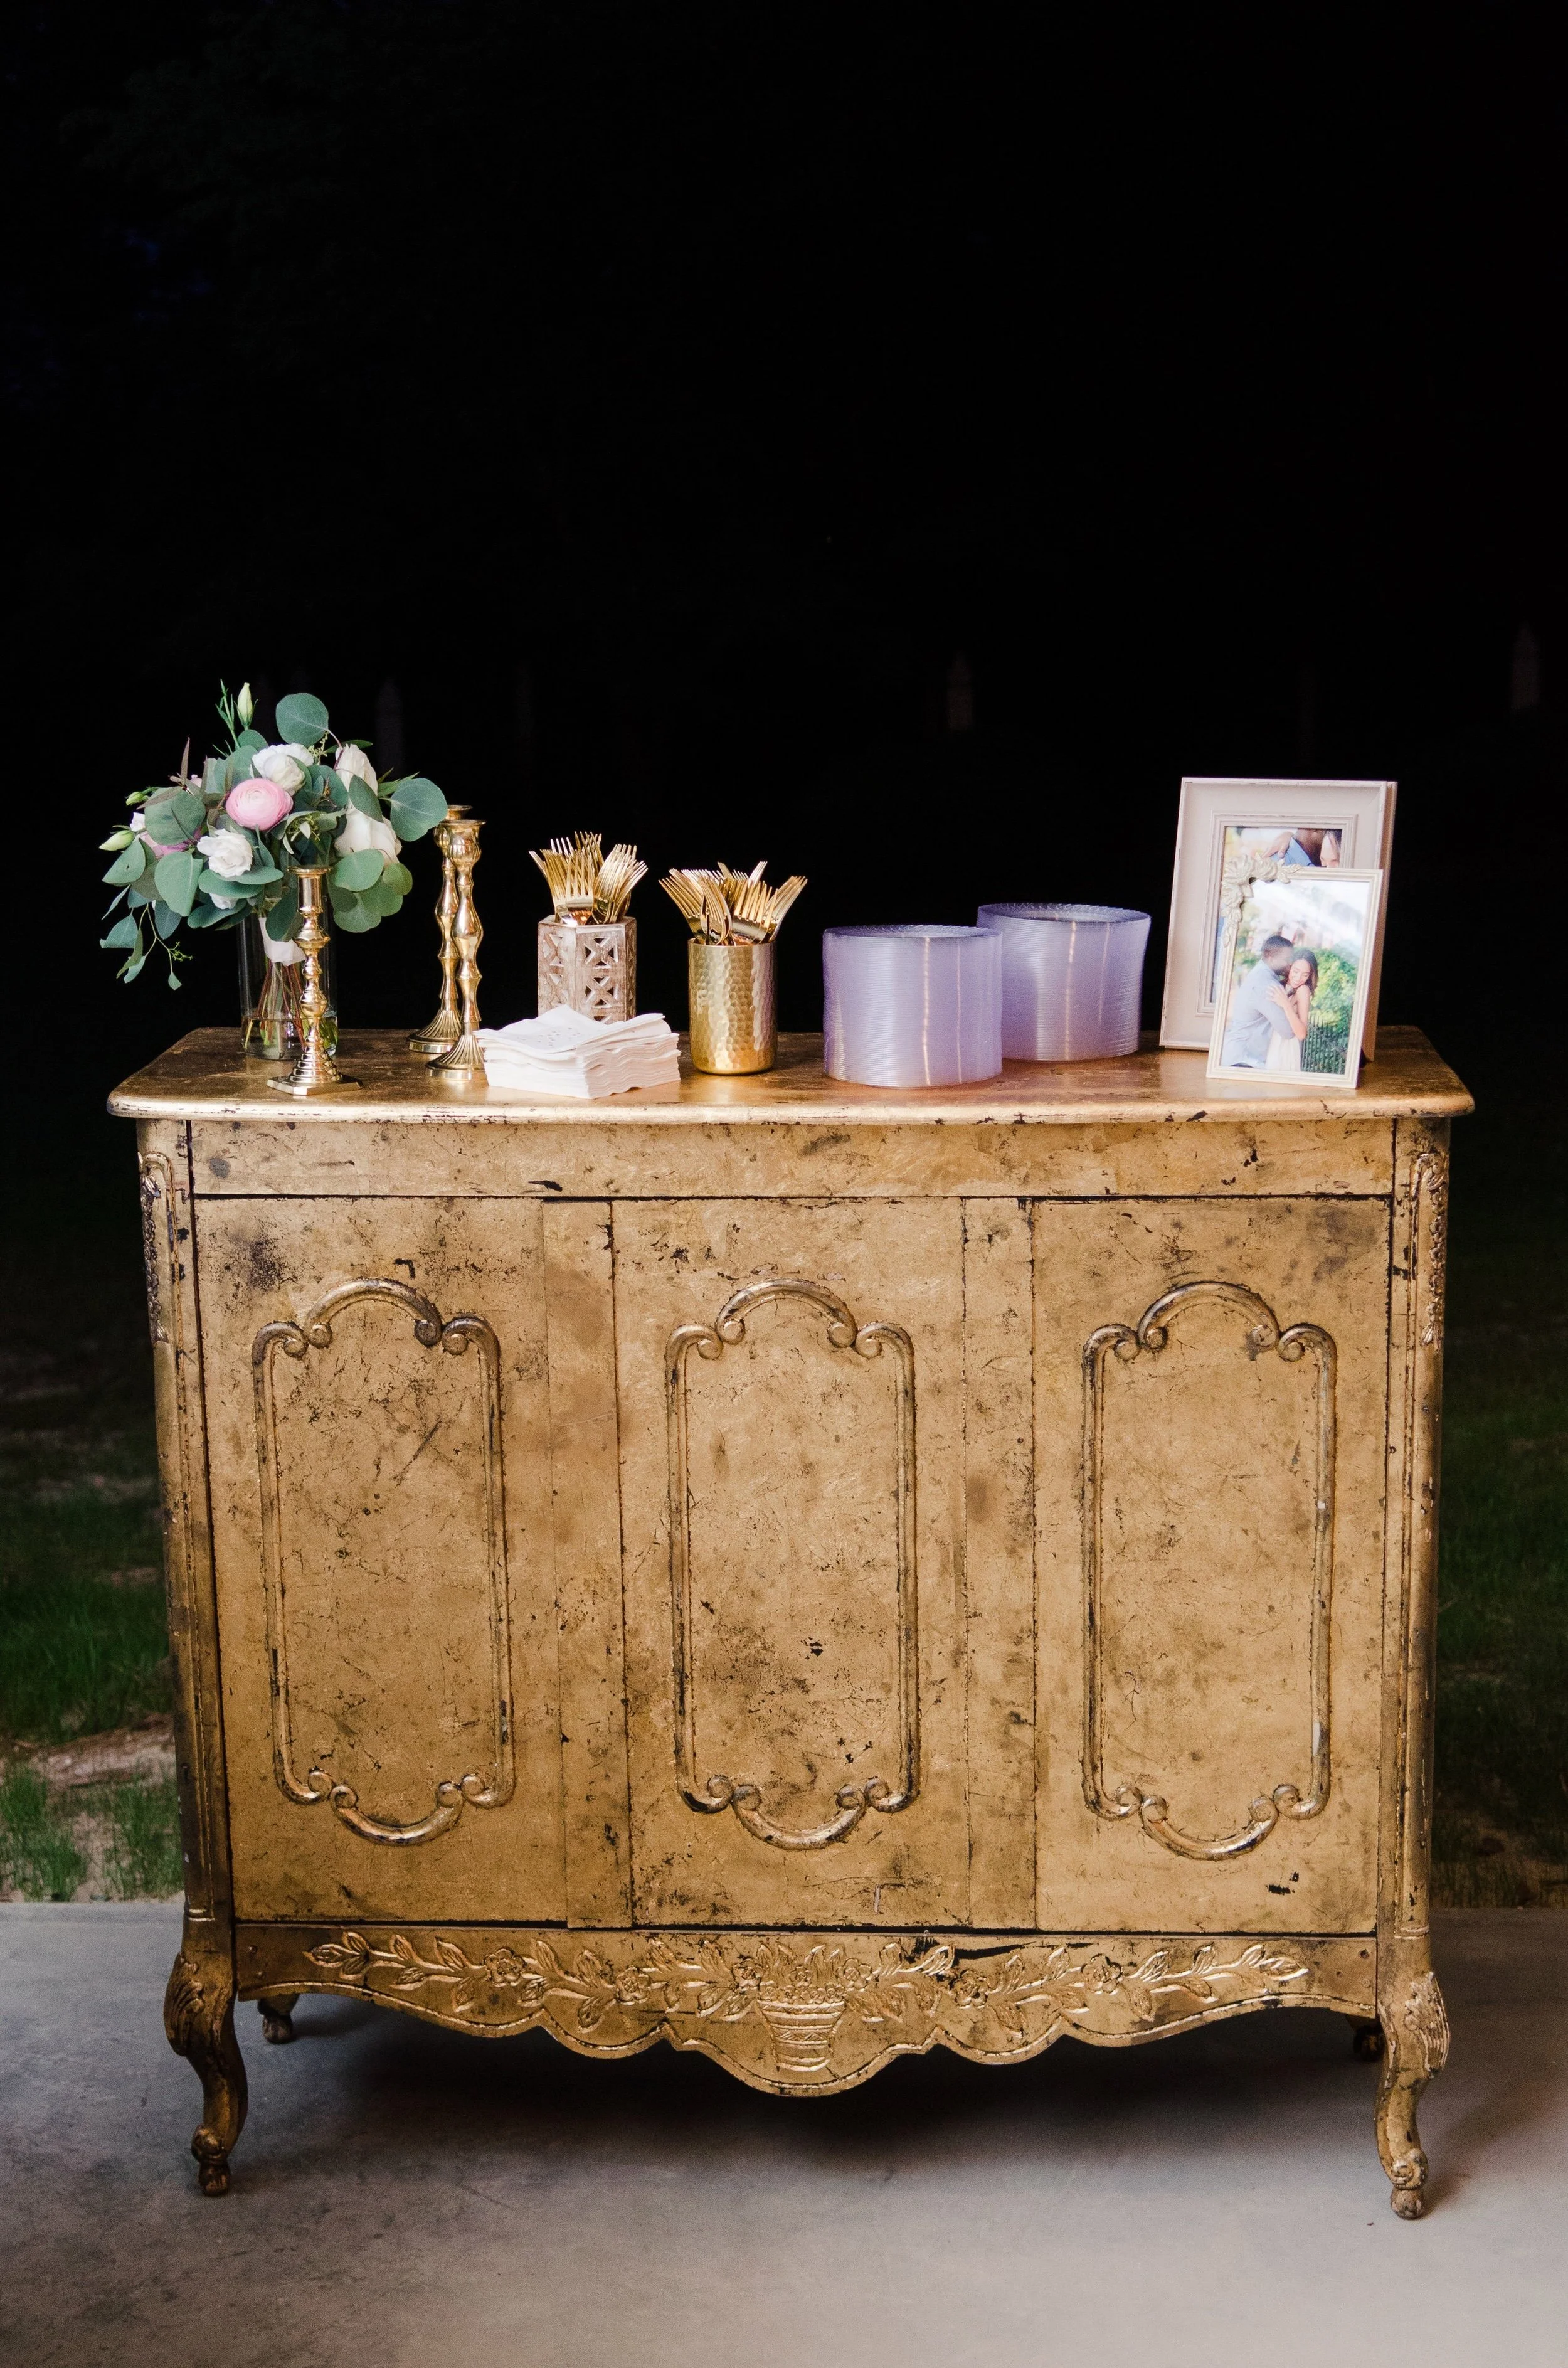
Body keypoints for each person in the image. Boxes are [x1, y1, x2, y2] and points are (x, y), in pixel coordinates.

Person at [1219, 934, 1298, 1067]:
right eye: (1286, 959)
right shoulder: (1267, 985)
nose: (1289, 964)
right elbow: (1288, 1031)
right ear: (1270, 956)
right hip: (1245, 1061)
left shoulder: (1259, 974)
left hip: (1238, 1055)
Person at [1264, 950, 1317, 1073]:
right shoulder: (1278, 984)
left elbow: (1302, 1034)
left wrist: (1286, 1005)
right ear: (1290, 966)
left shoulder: (1302, 990)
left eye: (1305, 975)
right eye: (1296, 971)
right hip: (1269, 1044)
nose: (1298, 978)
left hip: (1284, 1048)